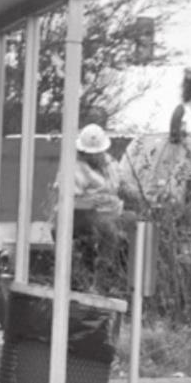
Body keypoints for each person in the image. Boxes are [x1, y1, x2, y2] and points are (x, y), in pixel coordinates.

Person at [66, 123, 132, 292]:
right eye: (90, 153)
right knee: (108, 231)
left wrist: (142, 197)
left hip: (113, 212)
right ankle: (100, 281)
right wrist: (93, 201)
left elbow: (123, 186)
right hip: (86, 215)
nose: (94, 156)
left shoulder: (111, 164)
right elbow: (70, 199)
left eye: (97, 153)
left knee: (135, 223)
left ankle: (126, 280)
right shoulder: (74, 168)